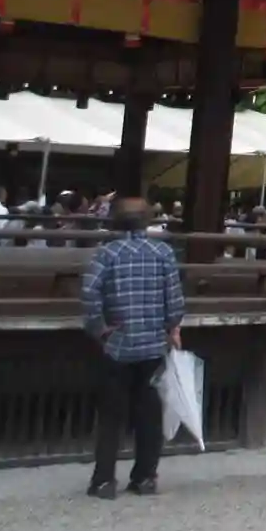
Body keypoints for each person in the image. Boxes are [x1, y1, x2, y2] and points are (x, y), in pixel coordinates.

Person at [79, 197, 183, 499]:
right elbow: (174, 298)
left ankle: (104, 481)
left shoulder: (107, 254)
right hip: (153, 344)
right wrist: (172, 326)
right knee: (149, 413)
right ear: (147, 221)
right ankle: (145, 477)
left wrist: (99, 328)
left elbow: (89, 292)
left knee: (111, 415)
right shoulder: (163, 252)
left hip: (118, 344)